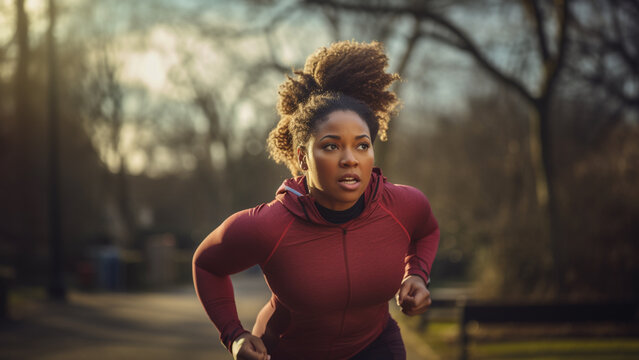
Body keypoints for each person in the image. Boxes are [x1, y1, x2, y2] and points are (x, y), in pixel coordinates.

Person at [192, 40, 439, 360]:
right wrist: (235, 335)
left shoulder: (402, 205)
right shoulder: (267, 225)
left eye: (362, 145)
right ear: (303, 158)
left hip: (376, 347)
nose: (350, 159)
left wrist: (417, 274)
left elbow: (426, 229)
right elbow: (207, 264)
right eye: (331, 146)